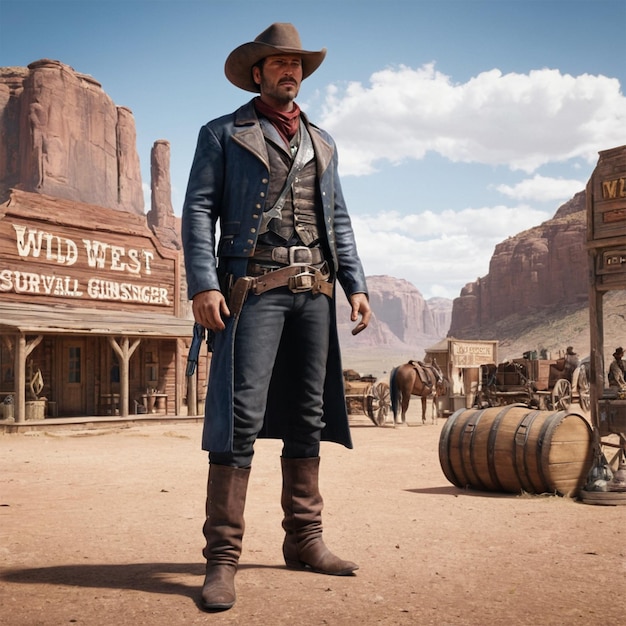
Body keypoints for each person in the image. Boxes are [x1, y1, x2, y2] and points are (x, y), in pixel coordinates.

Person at [181, 23, 371, 612]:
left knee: (308, 414)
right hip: (253, 289)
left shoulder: (325, 142)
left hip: (315, 292)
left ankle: (305, 542)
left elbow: (337, 219)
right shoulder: (221, 135)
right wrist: (204, 284)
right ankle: (222, 560)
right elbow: (198, 211)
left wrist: (356, 286)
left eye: (297, 65)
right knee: (239, 419)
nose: (290, 72)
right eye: (279, 64)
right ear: (258, 72)